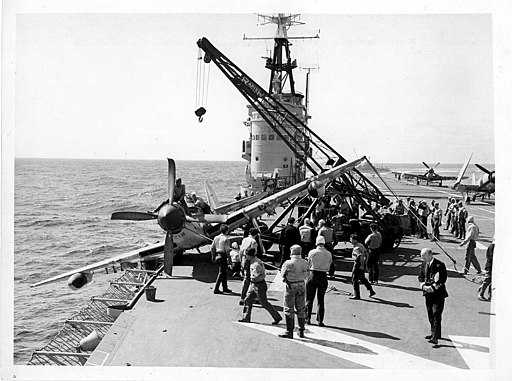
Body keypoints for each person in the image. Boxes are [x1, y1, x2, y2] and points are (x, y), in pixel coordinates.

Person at [238, 247, 282, 325]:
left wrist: (254, 278)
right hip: (254, 284)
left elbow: (260, 275)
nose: (245, 257)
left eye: (246, 255)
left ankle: (277, 317)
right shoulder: (252, 262)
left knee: (264, 303)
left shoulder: (256, 264)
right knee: (247, 300)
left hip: (259, 285)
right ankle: (246, 317)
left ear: (249, 255)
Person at [418, 248, 448, 347]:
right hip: (428, 293)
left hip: (438, 293)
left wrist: (433, 287)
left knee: (436, 314)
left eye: (424, 256)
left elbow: (442, 279)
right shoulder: (423, 264)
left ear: (430, 255)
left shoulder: (440, 265)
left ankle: (435, 337)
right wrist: (423, 286)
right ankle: (435, 333)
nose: (422, 258)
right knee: (430, 313)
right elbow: (421, 276)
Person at [278, 245, 309, 339]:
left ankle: (289, 331)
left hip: (291, 285)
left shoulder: (288, 263)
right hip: (302, 285)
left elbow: (283, 275)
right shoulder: (305, 262)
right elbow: (308, 274)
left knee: (289, 308)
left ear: (292, 252)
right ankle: (301, 330)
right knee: (301, 308)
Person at [306, 236, 332, 327]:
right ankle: (320, 320)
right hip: (323, 276)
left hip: (313, 274)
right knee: (321, 300)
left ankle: (307, 318)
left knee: (309, 298)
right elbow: (329, 265)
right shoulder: (328, 253)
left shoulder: (312, 252)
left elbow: (308, 264)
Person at [349, 234, 375, 300]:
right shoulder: (361, 245)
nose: (350, 240)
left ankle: (357, 295)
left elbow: (360, 257)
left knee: (354, 279)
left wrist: (362, 264)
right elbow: (365, 255)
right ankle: (370, 290)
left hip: (357, 263)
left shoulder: (357, 248)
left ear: (355, 240)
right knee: (362, 278)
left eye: (351, 239)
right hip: (360, 263)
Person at [239, 228, 259, 303]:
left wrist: (241, 261)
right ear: (256, 234)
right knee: (252, 279)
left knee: (246, 279)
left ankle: (243, 296)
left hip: (244, 258)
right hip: (250, 260)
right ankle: (252, 297)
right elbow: (254, 253)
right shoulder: (253, 242)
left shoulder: (245, 239)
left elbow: (241, 250)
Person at [210, 224, 232, 294]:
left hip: (217, 255)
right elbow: (227, 250)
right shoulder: (226, 239)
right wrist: (229, 258)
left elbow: (212, 248)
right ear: (226, 231)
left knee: (224, 272)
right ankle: (216, 288)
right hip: (223, 255)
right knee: (222, 272)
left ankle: (225, 287)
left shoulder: (216, 237)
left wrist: (213, 256)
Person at [478, 236, 494, 301]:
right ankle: (481, 293)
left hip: (492, 265)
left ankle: (491, 296)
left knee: (492, 281)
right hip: (490, 266)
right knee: (488, 279)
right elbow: (490, 257)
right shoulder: (492, 247)